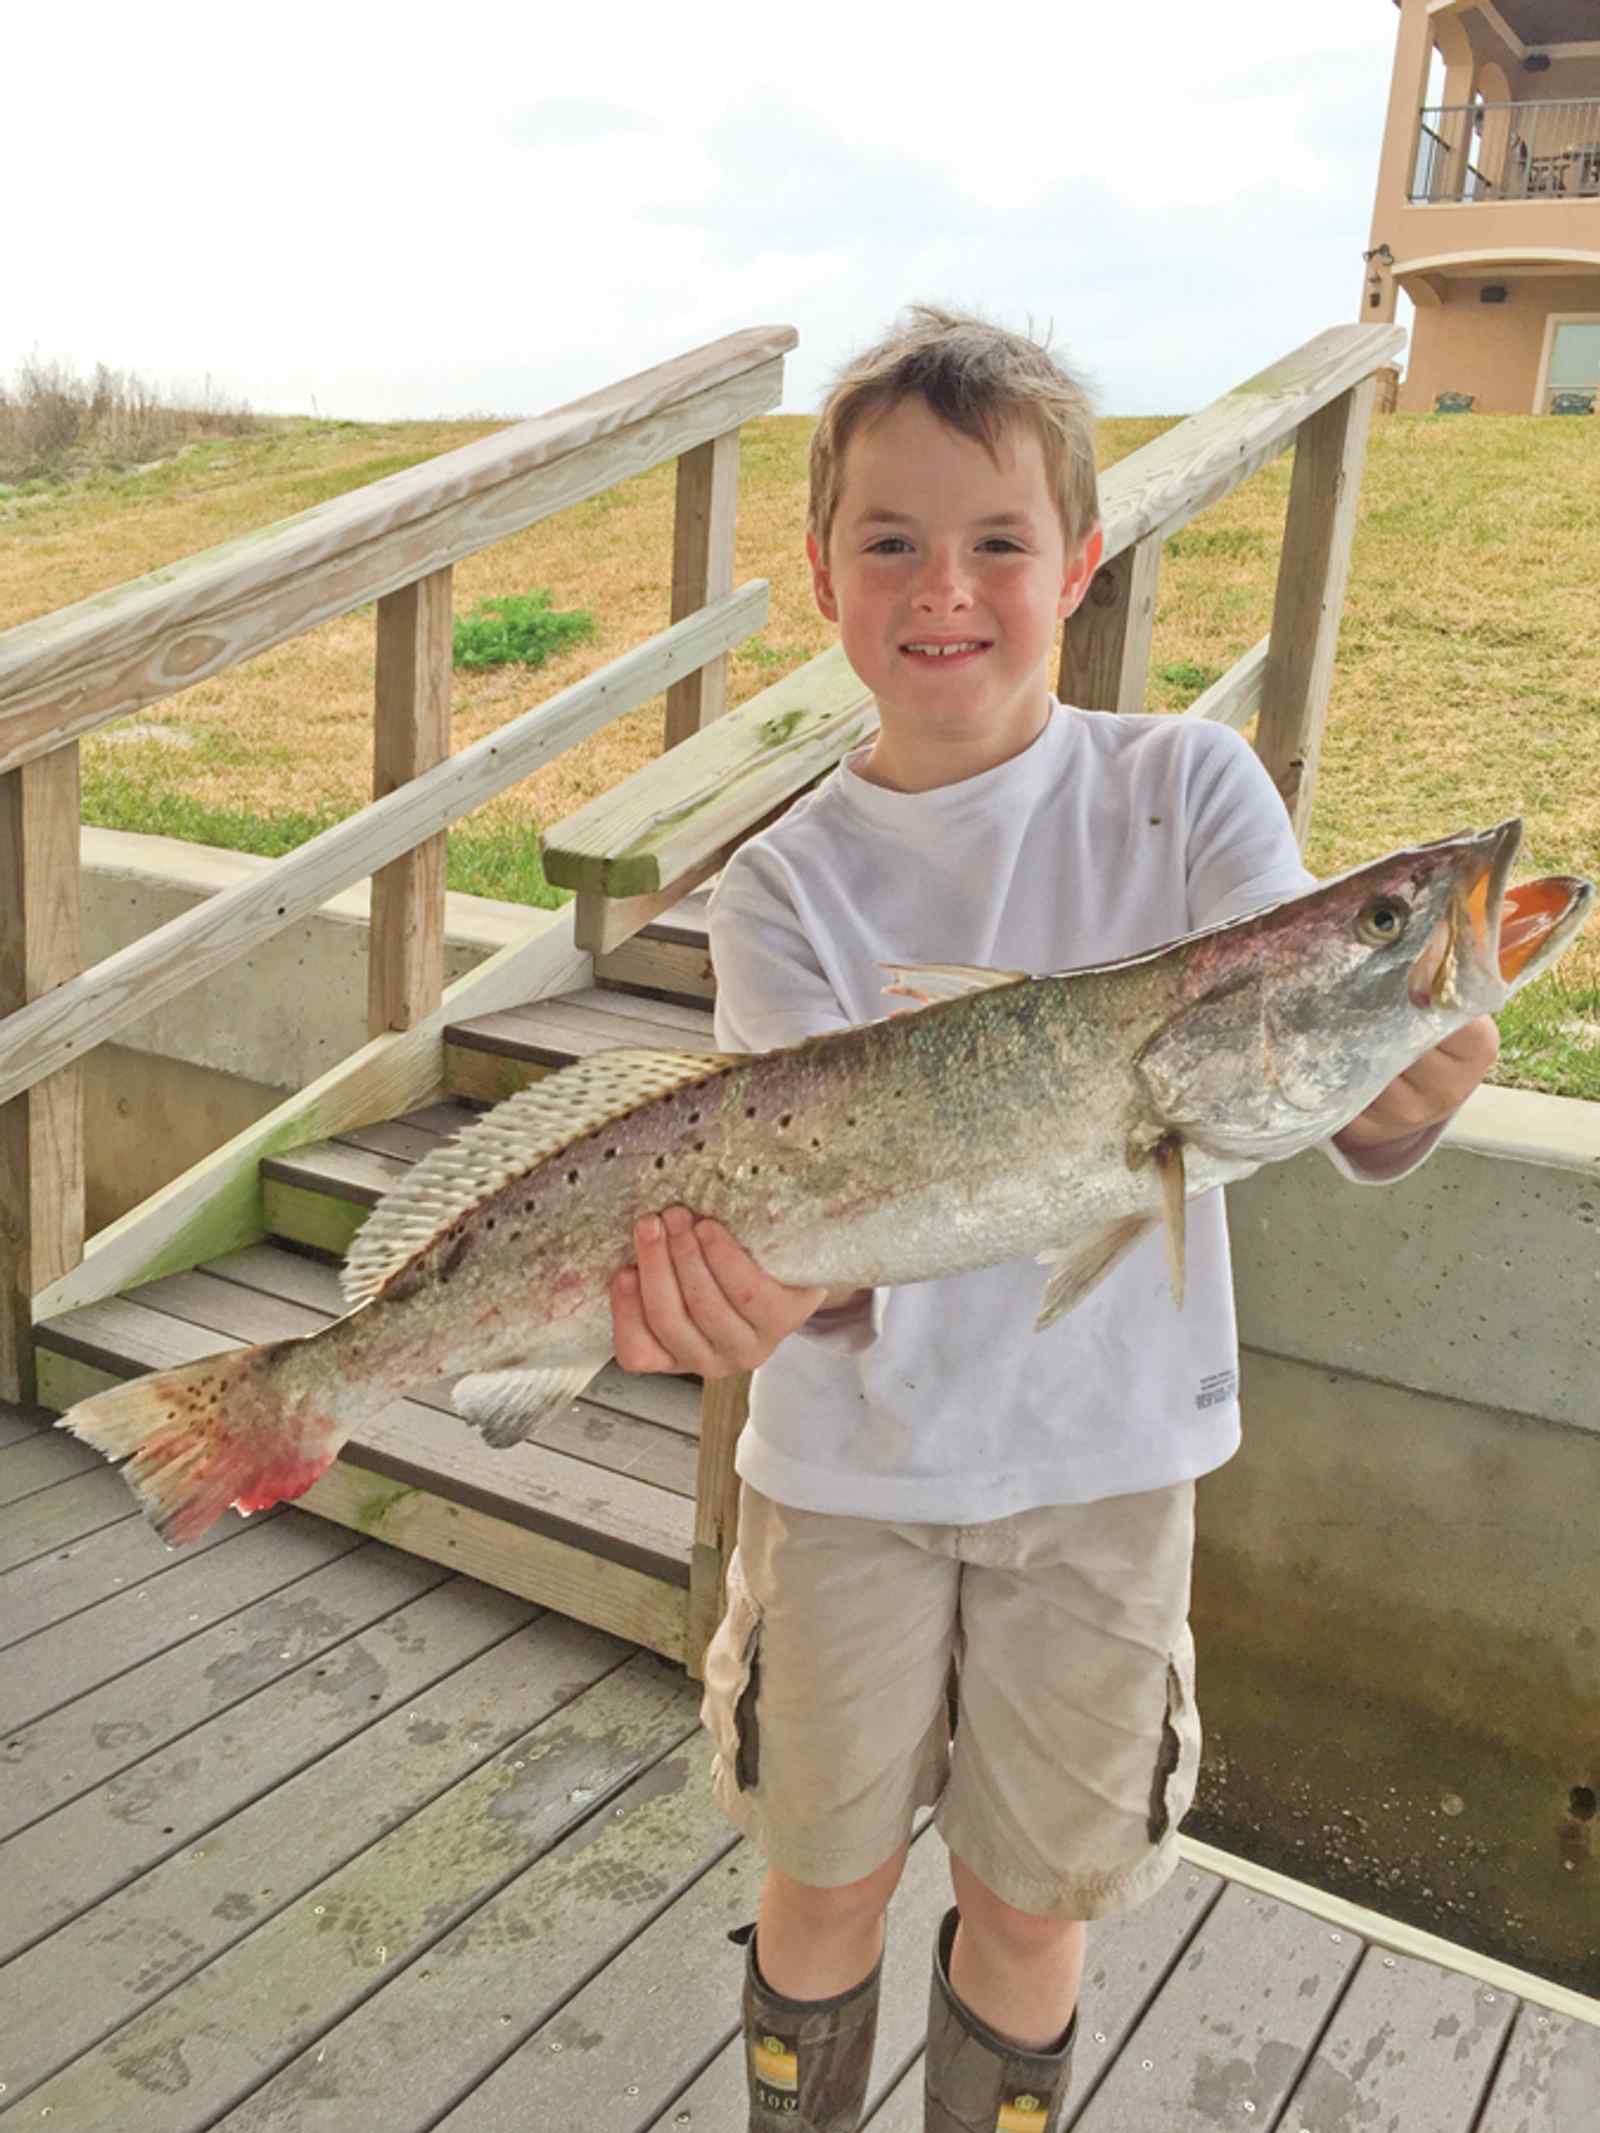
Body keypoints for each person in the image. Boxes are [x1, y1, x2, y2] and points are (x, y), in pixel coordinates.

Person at [609, 306, 1498, 2133]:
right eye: (891, 541)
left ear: (1078, 566)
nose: (946, 587)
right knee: (823, 1881)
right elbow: (803, 1250)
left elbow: (1288, 1026)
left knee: (1033, 1906)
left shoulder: (1187, 789)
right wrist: (735, 1303)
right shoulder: (778, 889)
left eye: (1000, 541)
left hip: (1110, 1477)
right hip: (845, 1480)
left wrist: (1394, 1083)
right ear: (823, 577)